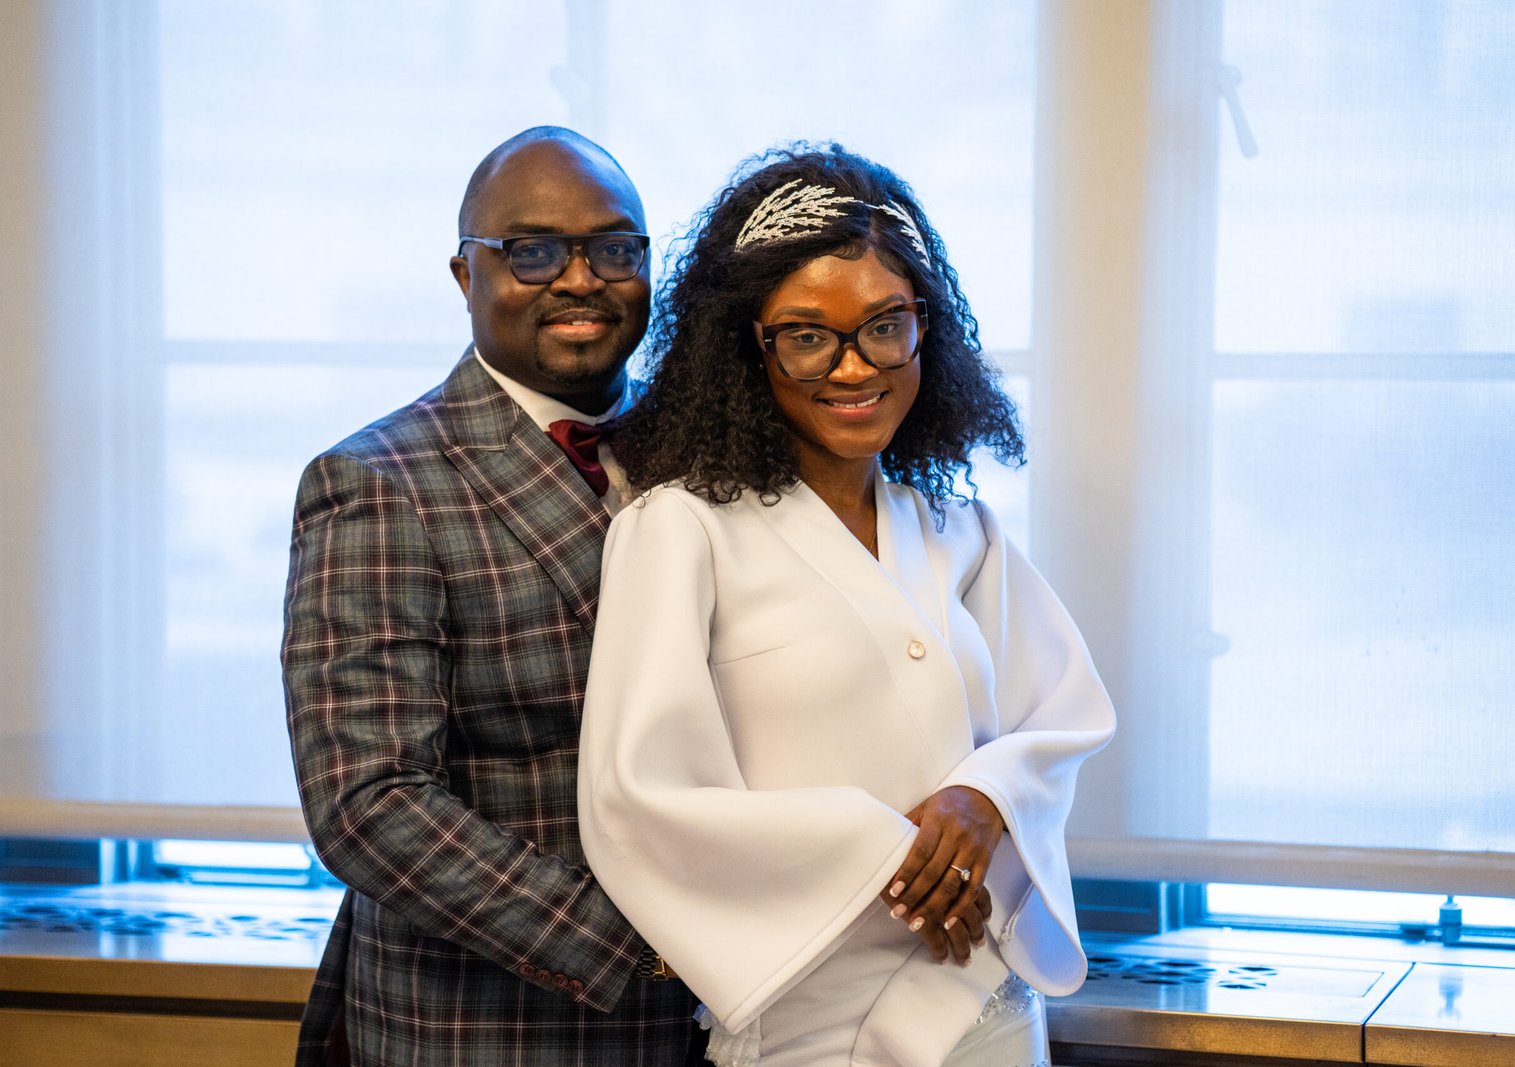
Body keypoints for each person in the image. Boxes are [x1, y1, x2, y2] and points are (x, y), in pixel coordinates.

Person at [577, 144, 1117, 1067]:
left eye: (884, 325)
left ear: (923, 328)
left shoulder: (958, 528)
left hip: (991, 1010)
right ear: (747, 346)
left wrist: (985, 798)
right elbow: (640, 794)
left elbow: (1064, 712)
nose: (855, 366)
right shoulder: (678, 530)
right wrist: (893, 858)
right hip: (811, 1029)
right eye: (806, 335)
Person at [282, 127, 702, 1066]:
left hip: (725, 1020)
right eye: (533, 252)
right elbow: (369, 802)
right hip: (496, 1023)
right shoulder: (377, 482)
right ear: (464, 274)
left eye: (615, 248)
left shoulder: (709, 456)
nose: (581, 279)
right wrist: (648, 945)